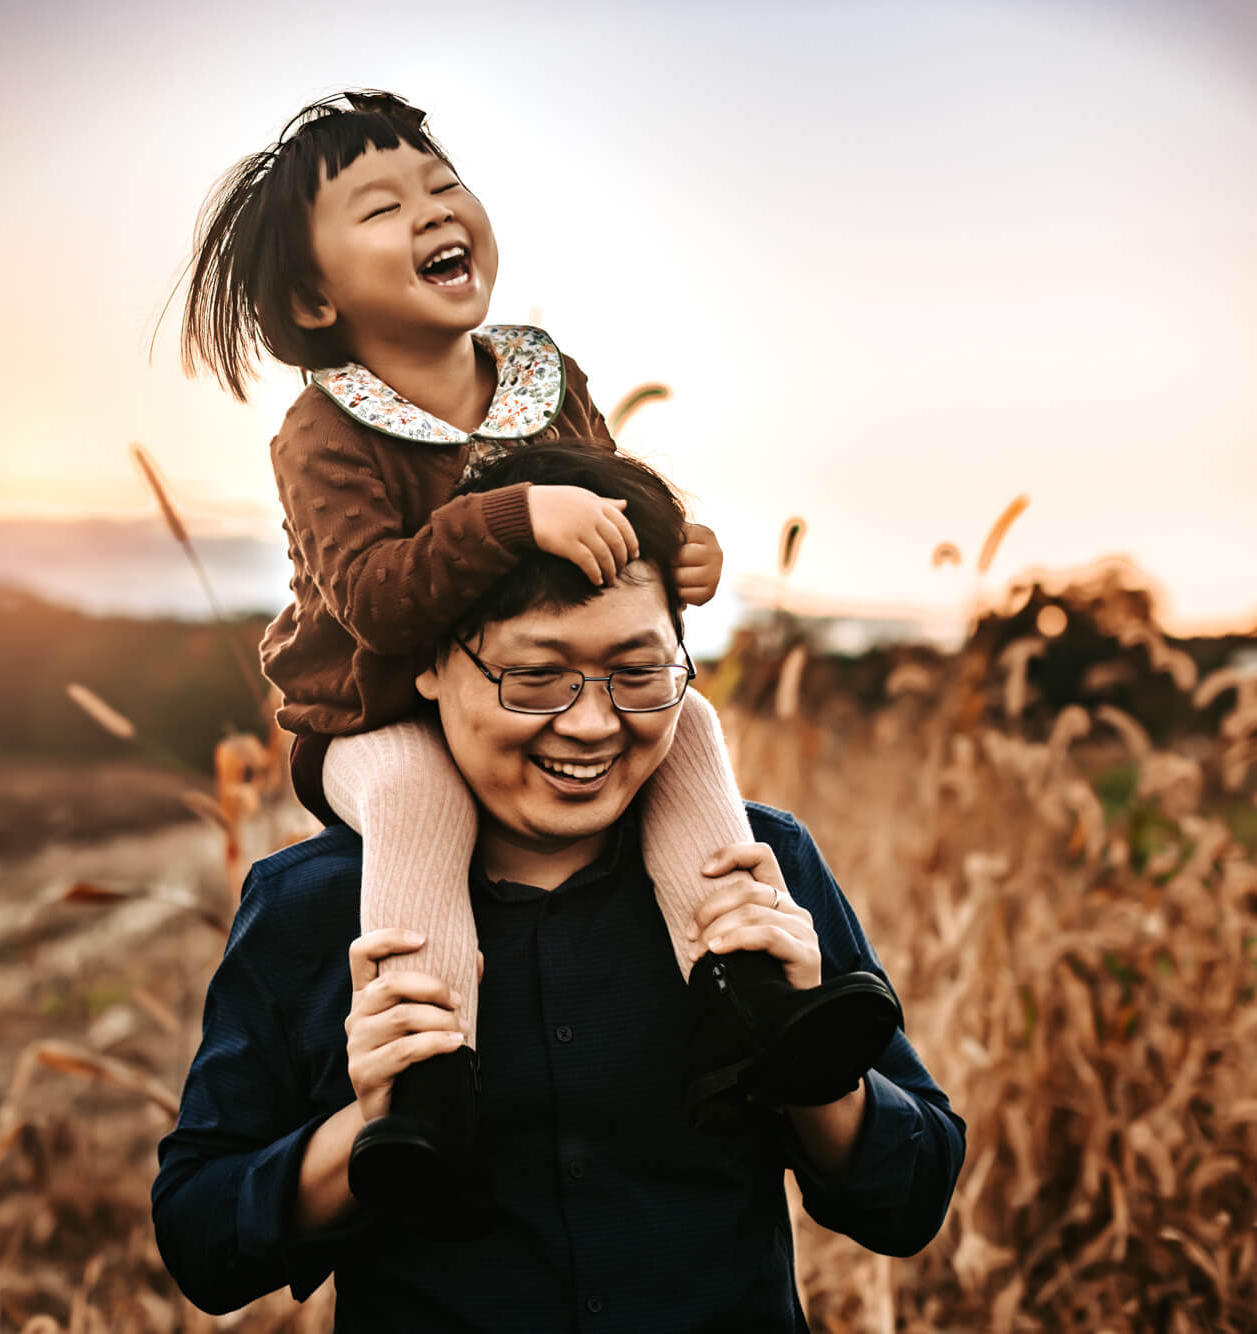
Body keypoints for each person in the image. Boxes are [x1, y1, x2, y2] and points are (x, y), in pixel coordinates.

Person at [175, 90, 896, 1205]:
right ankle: (425, 1077)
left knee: (691, 724)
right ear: (313, 295)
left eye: (440, 184)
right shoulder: (323, 428)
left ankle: (745, 989)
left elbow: (615, 524)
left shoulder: (539, 375)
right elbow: (369, 598)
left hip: (526, 693)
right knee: (419, 796)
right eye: (379, 207)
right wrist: (511, 516)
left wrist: (672, 552)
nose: (429, 211)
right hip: (366, 716)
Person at [152, 443, 965, 1330]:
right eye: (535, 677)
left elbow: (912, 1196)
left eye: (638, 674)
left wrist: (816, 1065)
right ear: (427, 663)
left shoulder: (761, 868)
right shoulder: (311, 906)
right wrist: (362, 1130)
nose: (591, 723)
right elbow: (202, 1239)